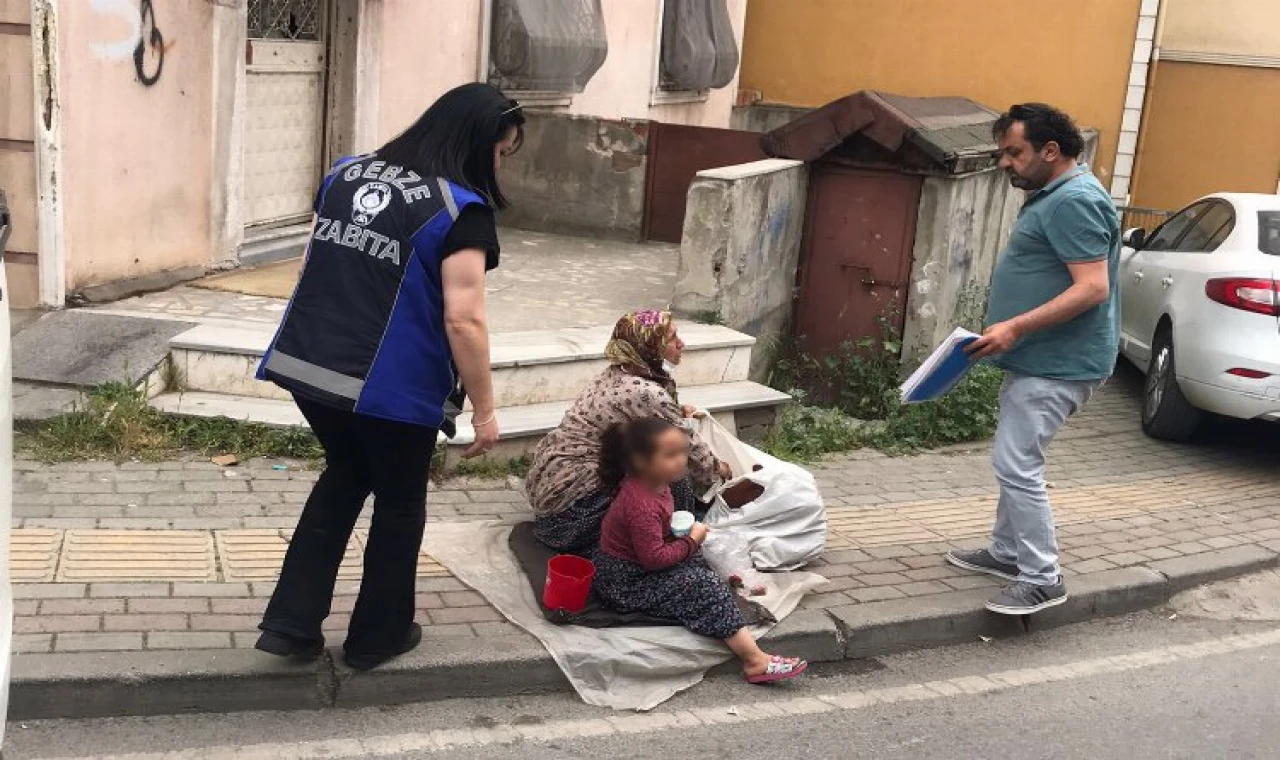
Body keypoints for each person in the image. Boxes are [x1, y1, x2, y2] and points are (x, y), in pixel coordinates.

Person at [253, 83, 526, 670]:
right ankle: (378, 636)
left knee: (346, 474)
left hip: (307, 364)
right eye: (503, 150)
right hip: (388, 385)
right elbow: (465, 319)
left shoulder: (346, 175)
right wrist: (485, 409)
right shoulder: (461, 210)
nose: (501, 163)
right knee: (400, 503)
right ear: (478, 144)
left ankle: (291, 625)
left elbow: (315, 262)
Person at [948, 103, 1119, 615]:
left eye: (1013, 152)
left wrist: (1016, 326)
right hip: (1041, 357)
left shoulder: (1073, 201)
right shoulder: (1058, 195)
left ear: (1051, 151)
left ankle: (1043, 576)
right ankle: (1006, 552)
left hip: (1058, 361)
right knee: (1015, 458)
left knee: (1016, 463)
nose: (1004, 163)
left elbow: (1092, 288)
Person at [592, 416, 807, 684]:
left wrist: (686, 542)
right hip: (625, 583)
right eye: (670, 455)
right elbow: (654, 560)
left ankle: (729, 596)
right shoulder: (641, 502)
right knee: (702, 584)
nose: (681, 460)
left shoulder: (660, 483)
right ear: (640, 461)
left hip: (638, 566)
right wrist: (692, 540)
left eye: (682, 451)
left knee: (699, 562)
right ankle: (755, 661)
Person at [525, 309, 733, 554]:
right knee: (672, 472)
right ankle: (666, 542)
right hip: (570, 516)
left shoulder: (619, 372)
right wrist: (718, 468)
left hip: (553, 490)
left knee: (661, 459)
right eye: (672, 338)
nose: (681, 343)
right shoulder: (645, 392)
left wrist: (677, 412)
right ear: (650, 345)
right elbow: (687, 446)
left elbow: (648, 416)